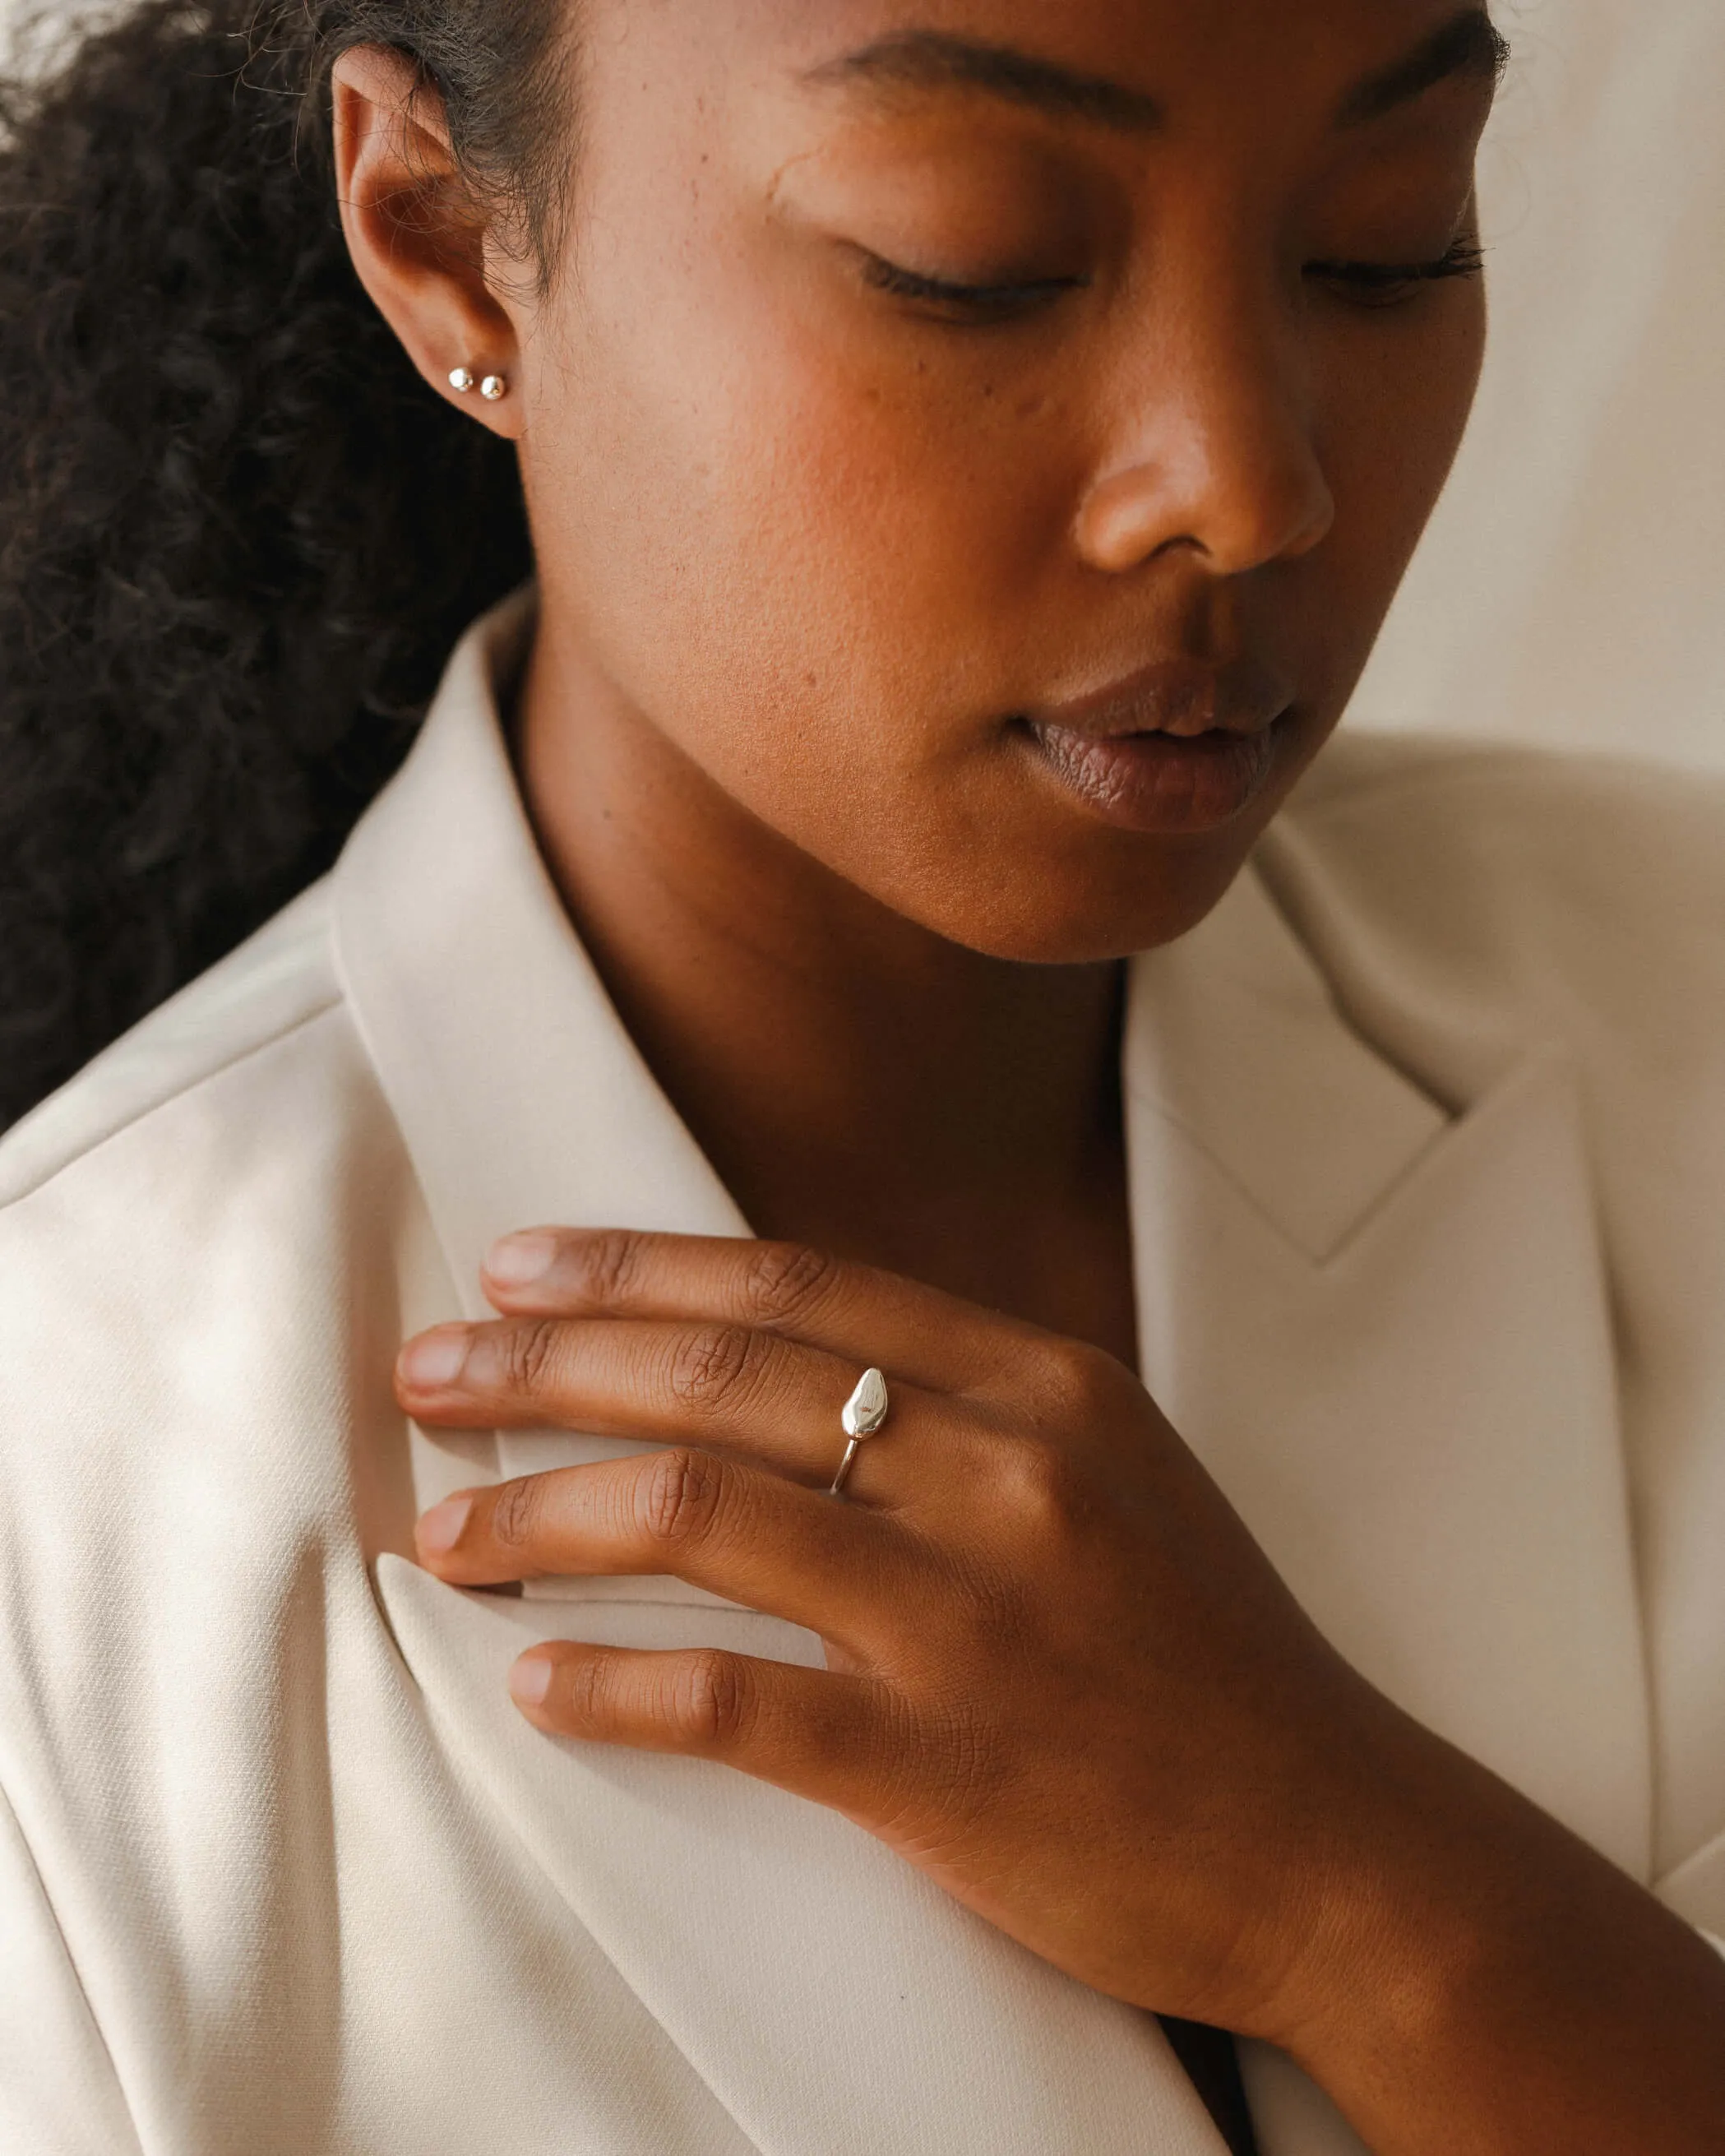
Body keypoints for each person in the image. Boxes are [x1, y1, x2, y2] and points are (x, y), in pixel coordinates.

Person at [1, 1, 1723, 2149]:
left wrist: (1371, 1906)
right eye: (971, 259)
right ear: (447, 238)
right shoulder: (61, 1533)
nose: (1248, 483)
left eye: (1383, 242)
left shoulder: (1692, 1012)